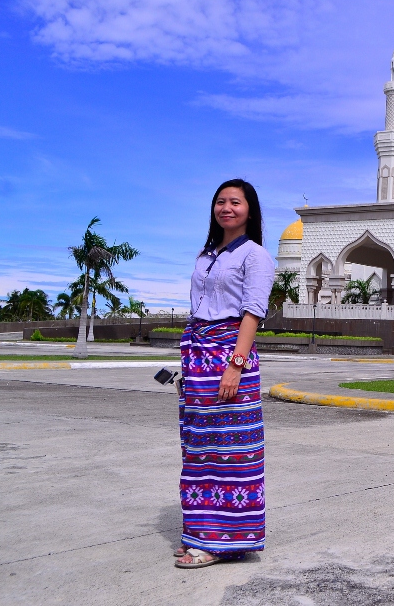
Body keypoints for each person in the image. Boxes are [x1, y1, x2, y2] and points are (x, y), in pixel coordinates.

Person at [174, 179, 275, 569]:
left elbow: (253, 312)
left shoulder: (256, 255)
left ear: (250, 209)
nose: (226, 208)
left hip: (229, 354)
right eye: (220, 201)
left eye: (235, 201)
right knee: (198, 448)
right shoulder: (206, 254)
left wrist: (235, 364)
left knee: (230, 452)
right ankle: (200, 533)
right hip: (198, 355)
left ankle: (223, 539)